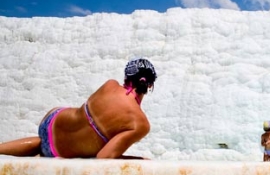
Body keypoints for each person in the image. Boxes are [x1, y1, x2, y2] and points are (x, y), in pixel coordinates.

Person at [0, 58, 157, 159]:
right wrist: (135, 159)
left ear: (126, 78)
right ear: (150, 85)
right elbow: (104, 157)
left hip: (52, 119)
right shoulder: (140, 124)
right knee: (42, 147)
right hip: (57, 151)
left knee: (41, 142)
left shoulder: (110, 85)